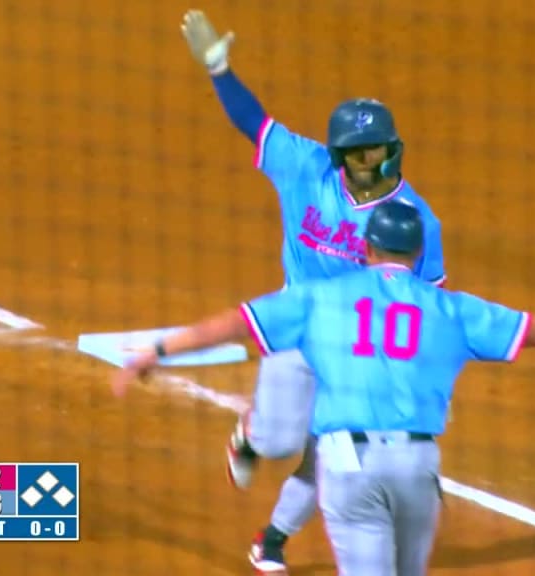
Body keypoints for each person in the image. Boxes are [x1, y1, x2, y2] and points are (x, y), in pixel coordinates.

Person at [112, 200, 535, 576]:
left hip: (349, 469)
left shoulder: (322, 298)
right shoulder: (450, 309)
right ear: (417, 255)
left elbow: (234, 324)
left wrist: (157, 351)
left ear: (368, 250)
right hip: (417, 471)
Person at [178, 8, 448, 572]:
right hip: (299, 332)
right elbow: (254, 124)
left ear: (392, 148)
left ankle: (271, 537)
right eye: (356, 151)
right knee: (279, 444)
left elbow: (431, 305)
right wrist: (219, 68)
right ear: (338, 155)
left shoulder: (415, 219)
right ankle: (251, 436)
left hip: (362, 351)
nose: (365, 158)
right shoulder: (305, 169)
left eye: (374, 148)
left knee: (337, 454)